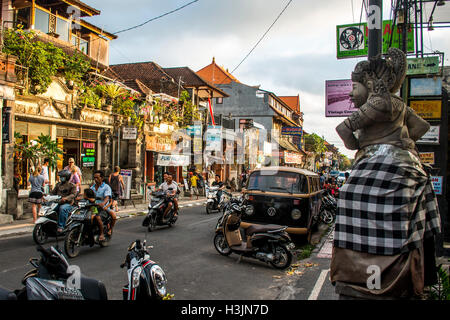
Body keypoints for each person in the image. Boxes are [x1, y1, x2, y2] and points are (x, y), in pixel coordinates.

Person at [332, 47, 441, 300]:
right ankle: (419, 274)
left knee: (349, 194)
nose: (351, 92)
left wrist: (364, 142)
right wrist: (399, 139)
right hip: (409, 167)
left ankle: (361, 265)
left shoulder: (376, 104)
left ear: (369, 84)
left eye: (355, 86)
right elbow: (422, 127)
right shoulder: (398, 104)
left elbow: (344, 132)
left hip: (378, 163)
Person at [90, 170, 116, 241]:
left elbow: (107, 198)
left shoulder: (106, 187)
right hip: (93, 207)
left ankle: (102, 234)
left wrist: (103, 204)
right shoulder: (92, 187)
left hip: (103, 208)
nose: (95, 179)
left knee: (98, 217)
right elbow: (88, 195)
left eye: (97, 178)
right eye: (94, 178)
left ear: (102, 178)